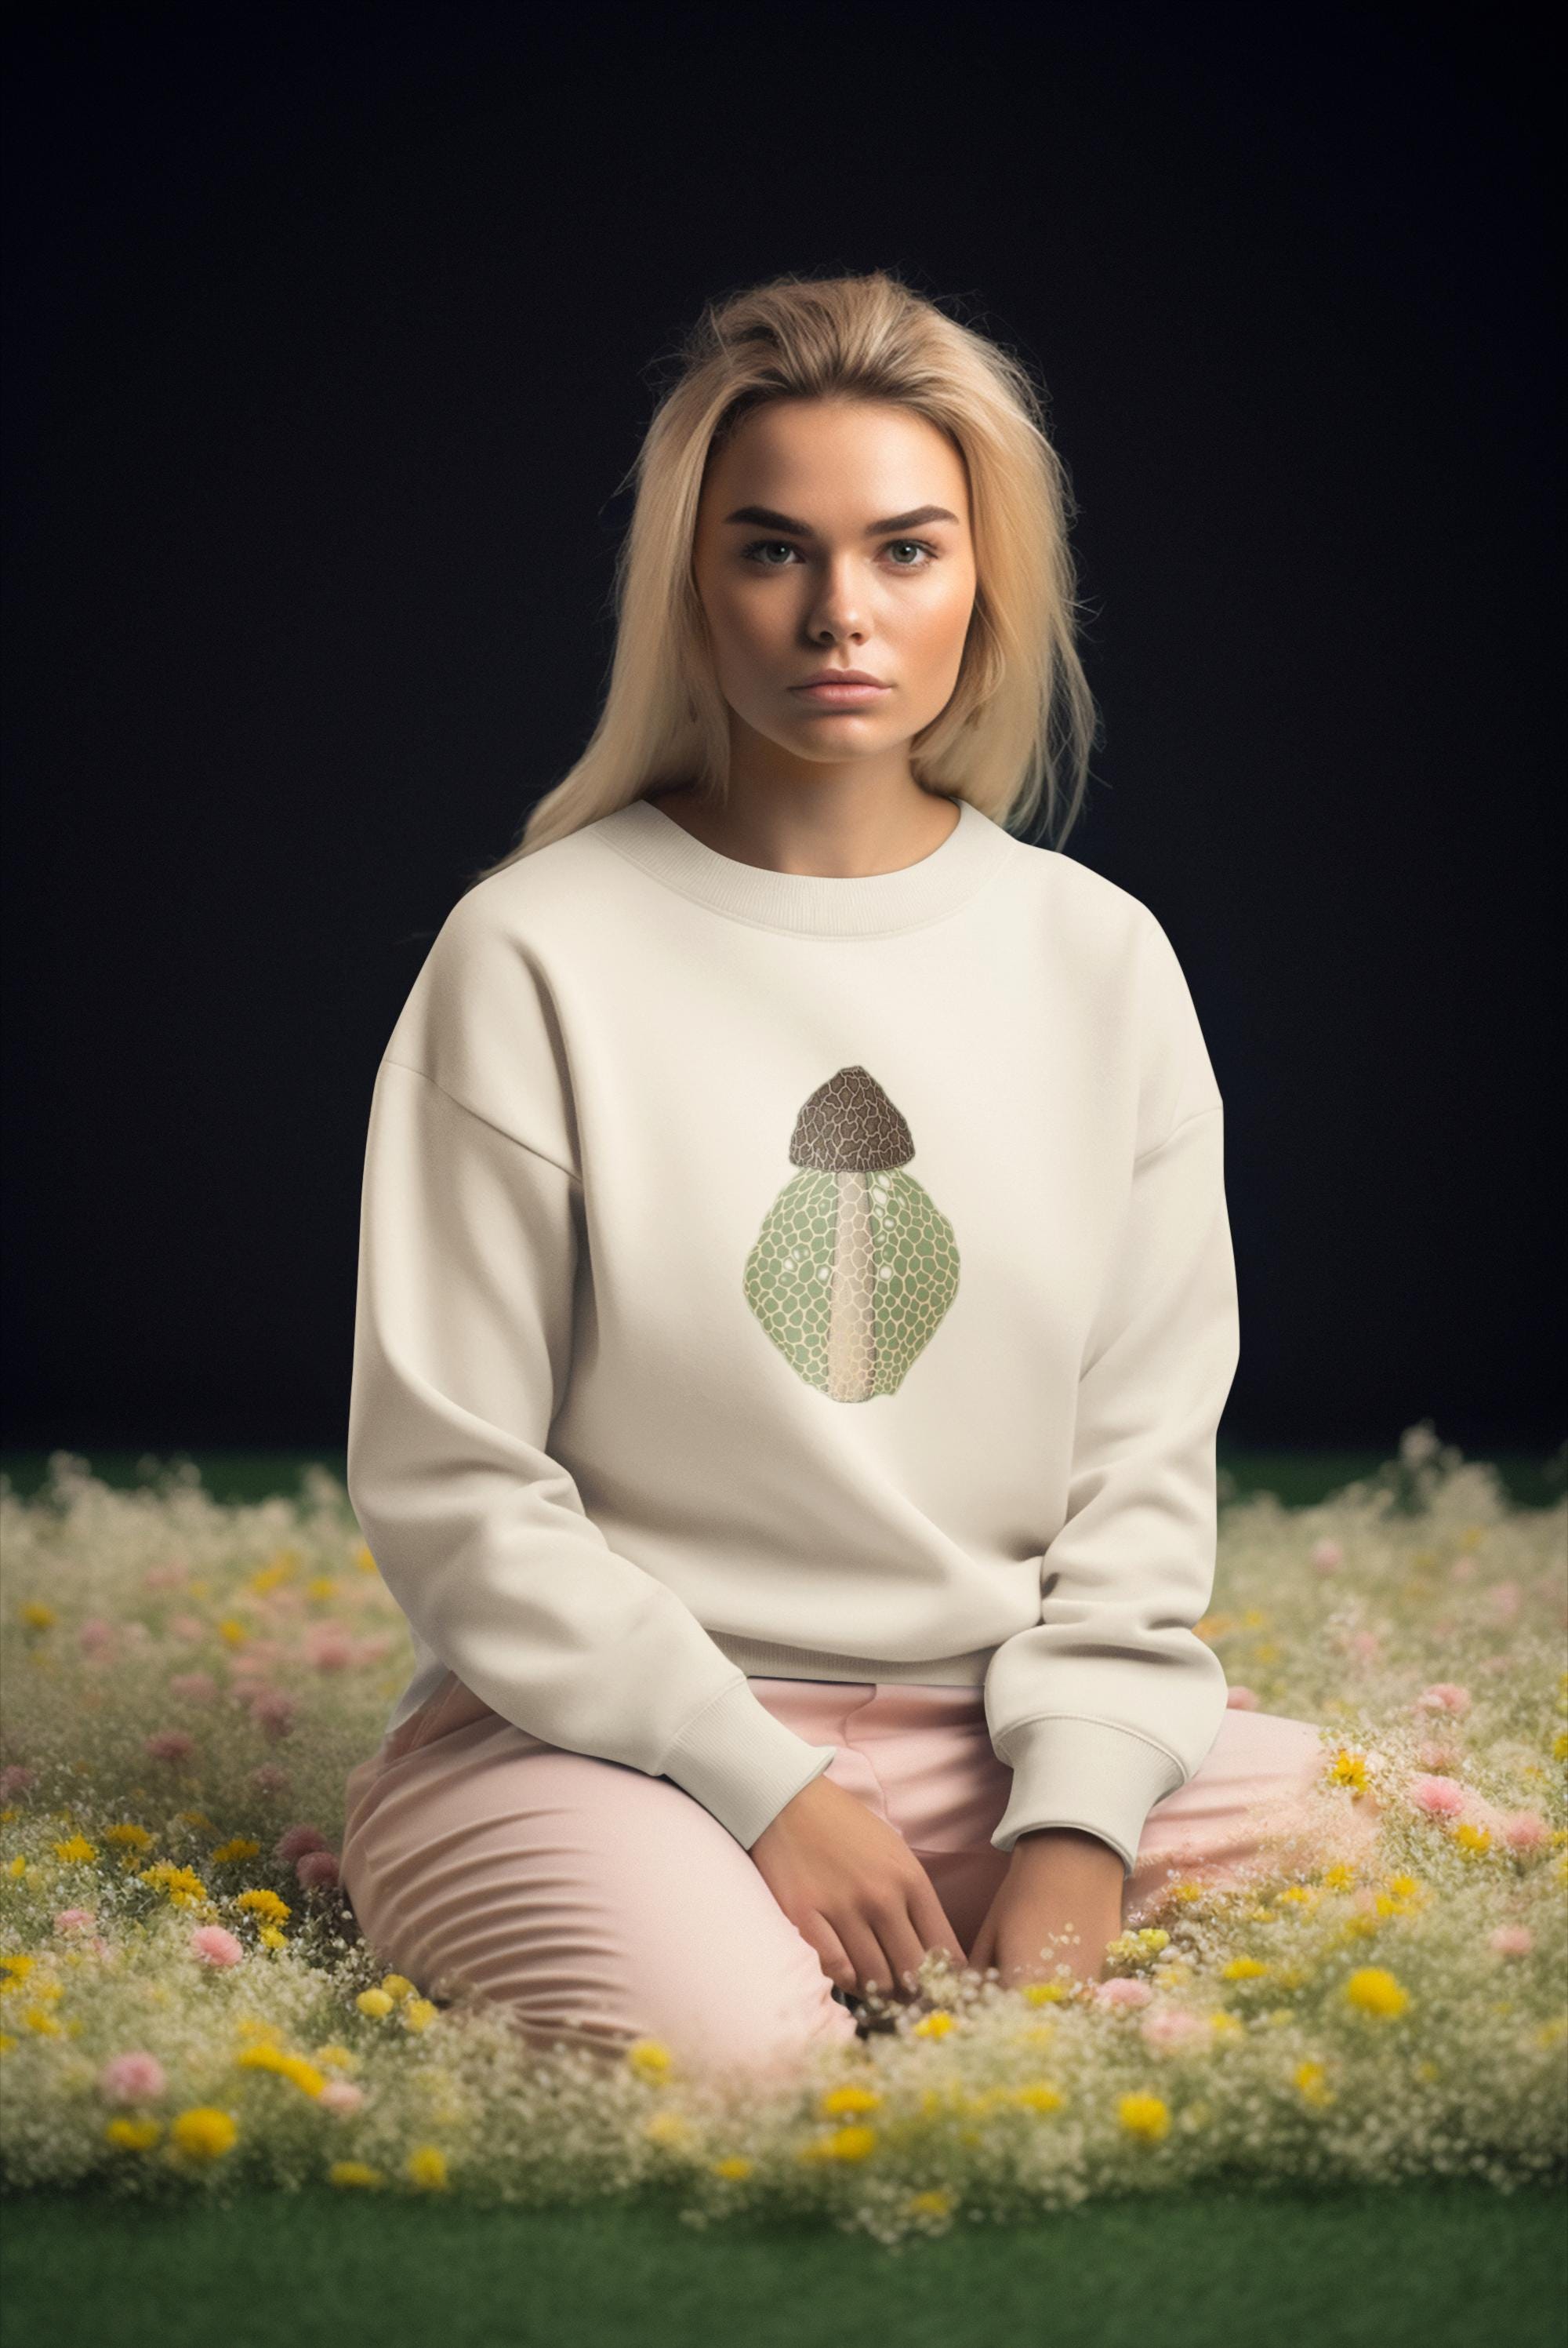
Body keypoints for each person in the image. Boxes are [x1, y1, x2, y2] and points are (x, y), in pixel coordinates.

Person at [338, 270, 1380, 2090]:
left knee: (1394, 1857)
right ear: (691, 583)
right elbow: (456, 1485)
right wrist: (763, 1788)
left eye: (904, 550)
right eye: (771, 552)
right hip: (612, 1742)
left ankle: (935, 1888)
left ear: (984, 585)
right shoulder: (531, 953)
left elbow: (1138, 1470)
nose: (841, 612)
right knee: (750, 2061)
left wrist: (1070, 1833)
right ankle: (558, 1884)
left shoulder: (1098, 960)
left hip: (991, 1735)